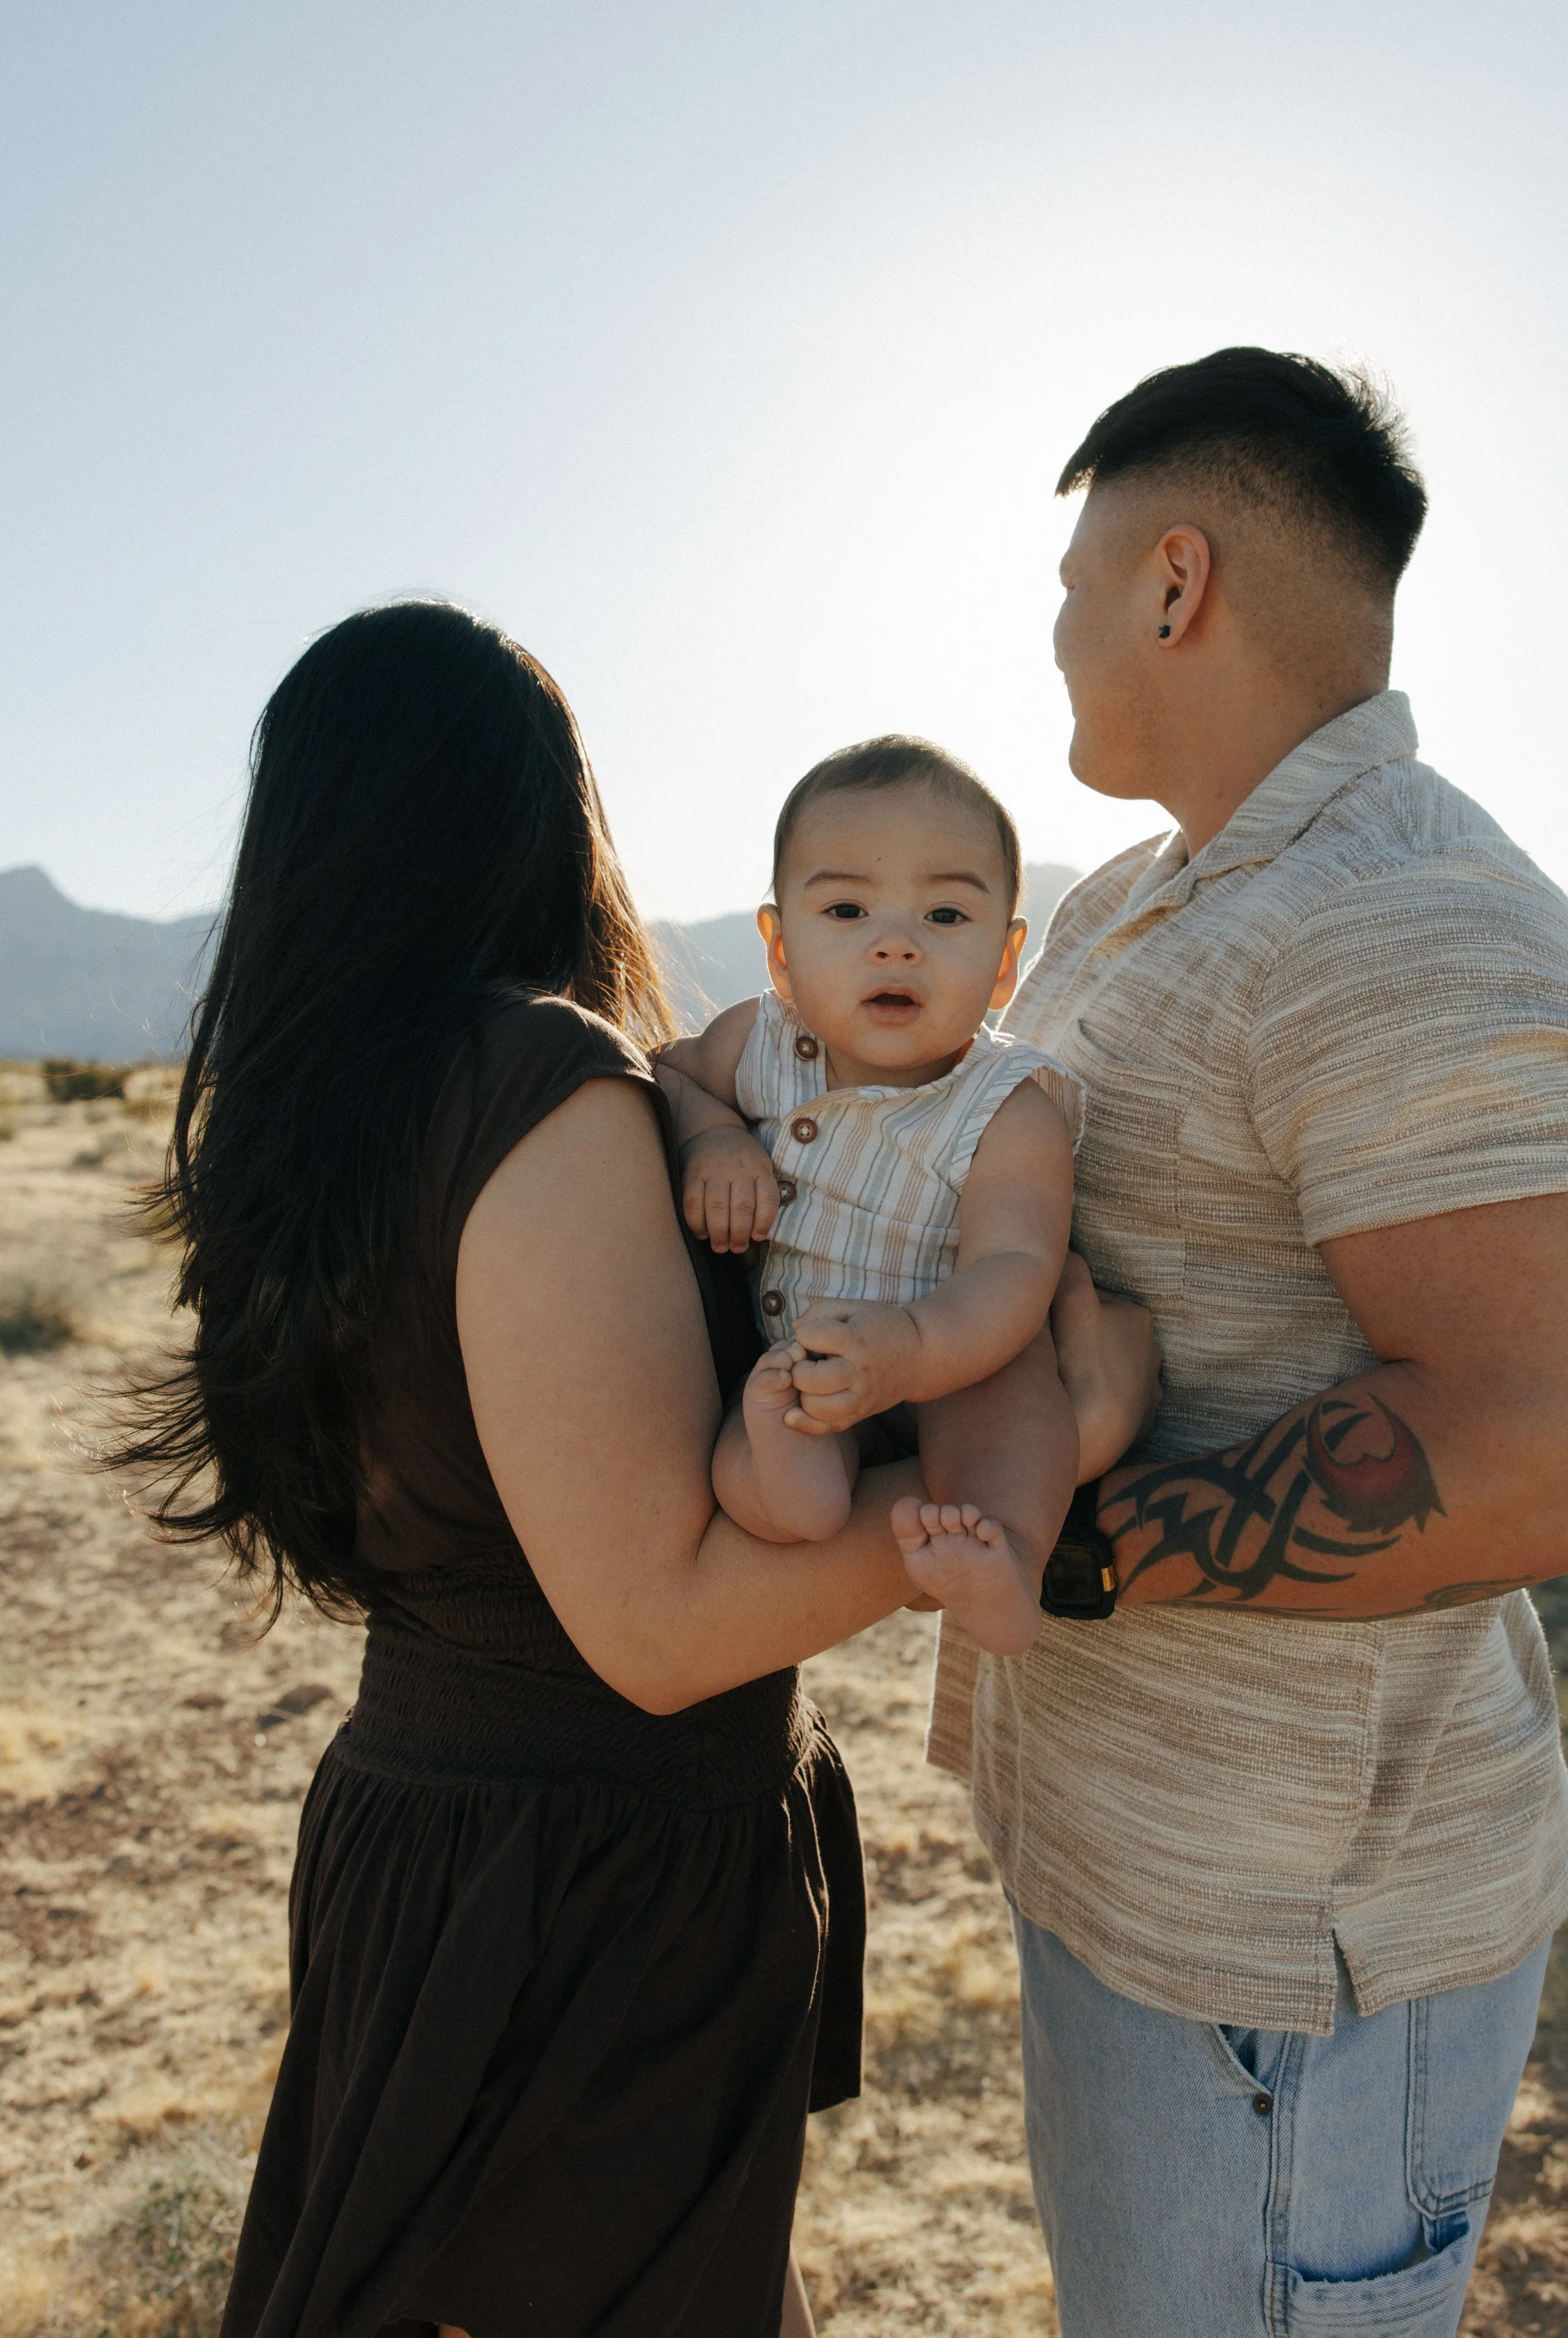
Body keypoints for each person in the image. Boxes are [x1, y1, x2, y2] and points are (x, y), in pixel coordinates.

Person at [113, 601, 1150, 2338]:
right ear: (548, 818)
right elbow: (658, 1627)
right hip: (581, 1888)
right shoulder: (545, 1086)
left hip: (446, 1844)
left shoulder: (335, 1106)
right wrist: (1049, 1456)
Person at [926, 348, 1568, 2336]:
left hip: (1289, 1951)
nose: (1059, 631)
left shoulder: (1402, 914)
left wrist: (1068, 1548)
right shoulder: (1136, 903)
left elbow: (1551, 1457)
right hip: (1138, 1864)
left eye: (1075, 581)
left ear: (1173, 583)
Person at [661, 735, 1094, 1656]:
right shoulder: (759, 1044)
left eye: (944, 914)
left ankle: (1008, 1559)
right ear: (780, 948)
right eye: (848, 908)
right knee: (758, 1443)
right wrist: (712, 1133)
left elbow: (1016, 1264)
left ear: (1006, 961)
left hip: (954, 1353)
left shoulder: (1007, 1104)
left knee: (1017, 1402)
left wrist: (920, 1348)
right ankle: (794, 1486)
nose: (895, 942)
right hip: (806, 1356)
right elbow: (665, 1072)